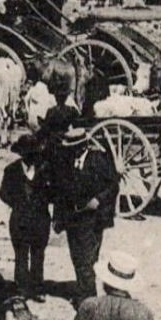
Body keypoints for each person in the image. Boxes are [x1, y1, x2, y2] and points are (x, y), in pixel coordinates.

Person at [50, 122, 118, 300]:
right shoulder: (66, 163)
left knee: (87, 260)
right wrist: (57, 218)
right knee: (77, 258)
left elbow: (113, 186)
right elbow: (60, 192)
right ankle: (84, 291)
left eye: (76, 147)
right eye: (70, 148)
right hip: (73, 218)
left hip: (93, 219)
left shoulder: (99, 160)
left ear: (84, 146)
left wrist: (98, 199)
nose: (72, 151)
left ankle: (87, 299)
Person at [0, 134, 53, 299]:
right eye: (28, 153)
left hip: (40, 220)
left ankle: (37, 288)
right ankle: (21, 288)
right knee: (21, 255)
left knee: (38, 254)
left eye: (34, 153)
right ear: (21, 154)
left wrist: (44, 198)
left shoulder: (45, 169)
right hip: (19, 219)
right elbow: (2, 193)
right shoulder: (11, 170)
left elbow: (54, 193)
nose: (31, 157)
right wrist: (17, 203)